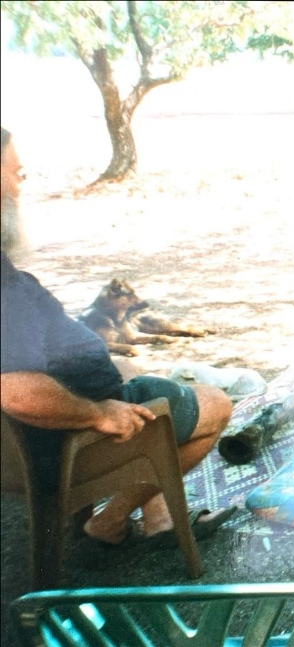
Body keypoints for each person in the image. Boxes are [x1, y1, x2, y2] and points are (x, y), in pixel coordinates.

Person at [0, 127, 235, 546]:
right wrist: (98, 414)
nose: (20, 185)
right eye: (16, 173)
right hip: (59, 445)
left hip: (42, 429)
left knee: (125, 366)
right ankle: (108, 522)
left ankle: (158, 514)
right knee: (215, 404)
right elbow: (16, 391)